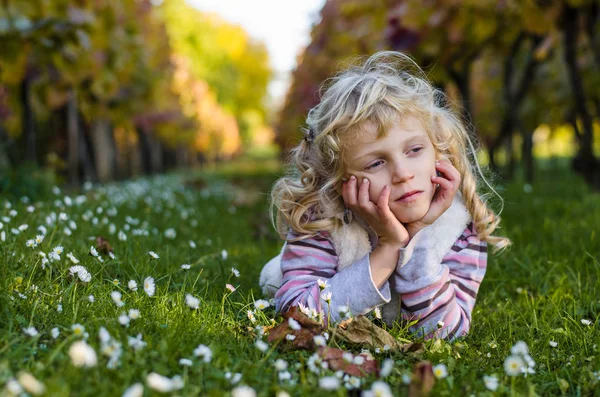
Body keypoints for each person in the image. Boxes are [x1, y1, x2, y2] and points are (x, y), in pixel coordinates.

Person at [259, 51, 511, 341]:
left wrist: (417, 237)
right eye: (376, 163)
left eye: (415, 150)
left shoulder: (460, 230)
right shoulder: (323, 220)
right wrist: (388, 248)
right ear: (339, 180)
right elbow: (298, 315)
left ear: (439, 152)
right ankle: (279, 271)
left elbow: (447, 332)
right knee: (273, 282)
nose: (403, 173)